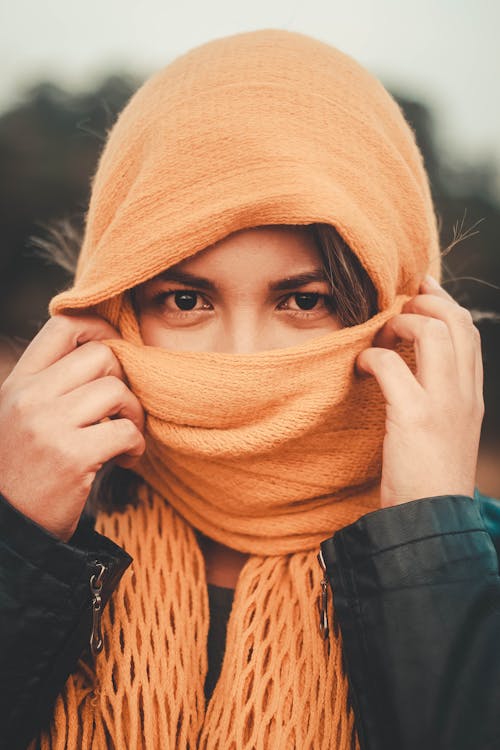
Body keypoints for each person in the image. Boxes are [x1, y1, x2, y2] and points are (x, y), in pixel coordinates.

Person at [0, 28, 499, 750]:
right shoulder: (33, 523)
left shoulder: (471, 561)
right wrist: (16, 540)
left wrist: (427, 537)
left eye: (303, 301)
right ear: (114, 306)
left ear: (400, 311)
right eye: (184, 300)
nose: (241, 359)